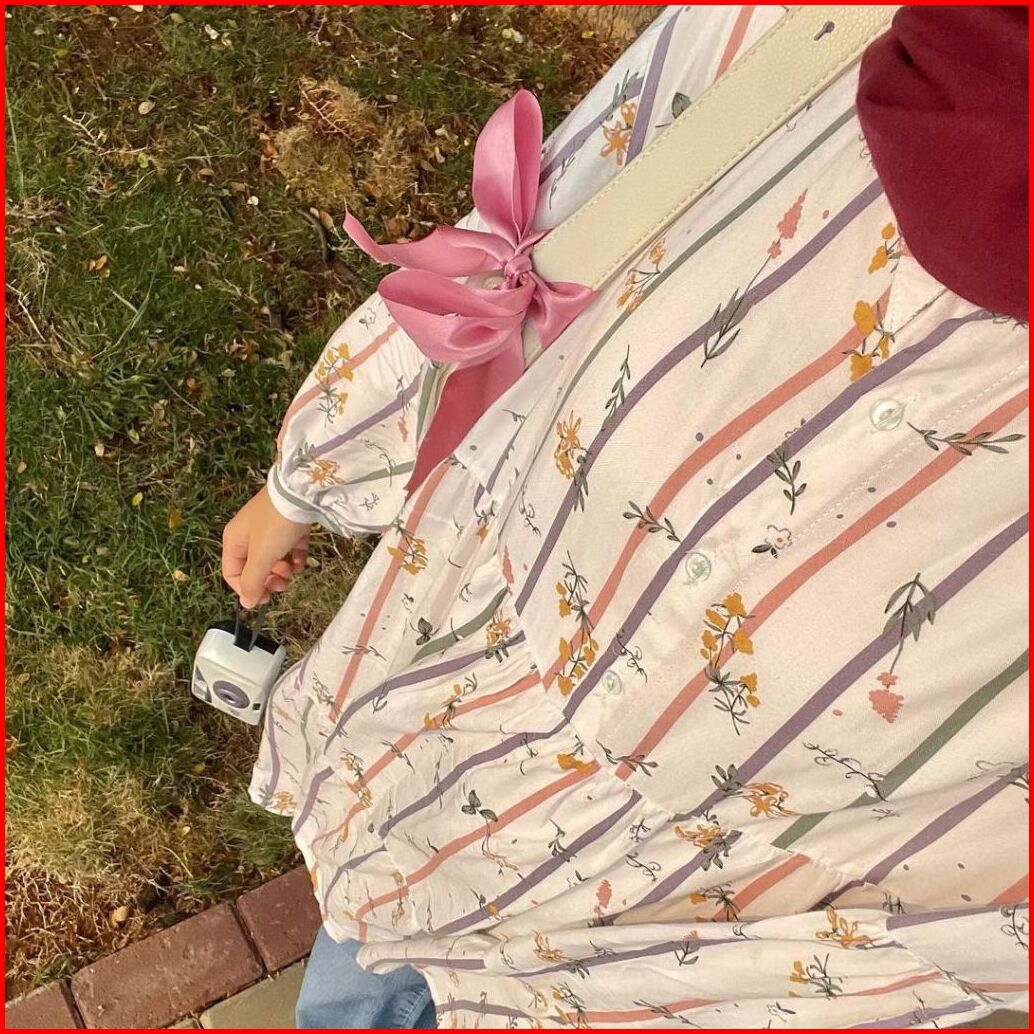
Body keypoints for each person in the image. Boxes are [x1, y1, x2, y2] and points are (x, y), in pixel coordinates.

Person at [222, 6, 1028, 1029]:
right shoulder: (940, 57)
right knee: (375, 944)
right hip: (476, 730)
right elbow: (567, 226)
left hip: (733, 927)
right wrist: (310, 470)